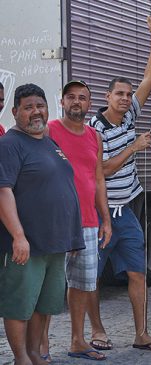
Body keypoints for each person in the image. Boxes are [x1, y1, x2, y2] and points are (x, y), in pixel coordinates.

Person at [86, 15, 151, 354]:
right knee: (89, 278)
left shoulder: (131, 114)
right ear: (107, 96)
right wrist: (133, 147)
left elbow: (150, 78)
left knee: (138, 273)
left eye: (127, 94)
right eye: (118, 94)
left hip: (128, 212)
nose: (125, 98)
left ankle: (141, 334)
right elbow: (101, 171)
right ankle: (96, 330)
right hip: (101, 212)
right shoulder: (96, 128)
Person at [0, 83, 85, 365]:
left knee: (43, 305)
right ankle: (21, 358)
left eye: (40, 106)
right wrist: (18, 236)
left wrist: (71, 236)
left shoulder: (47, 141)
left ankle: (35, 353)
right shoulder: (10, 144)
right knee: (19, 305)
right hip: (27, 245)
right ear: (15, 112)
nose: (36, 112)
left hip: (54, 243)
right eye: (28, 107)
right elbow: (3, 191)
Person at [41, 80, 113, 361]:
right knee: (48, 285)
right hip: (55, 222)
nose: (76, 102)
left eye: (82, 98)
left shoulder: (94, 136)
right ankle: (42, 346)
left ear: (89, 104)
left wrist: (105, 220)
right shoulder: (49, 131)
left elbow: (97, 179)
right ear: (61, 102)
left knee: (82, 284)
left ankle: (78, 340)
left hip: (87, 221)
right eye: (70, 97)